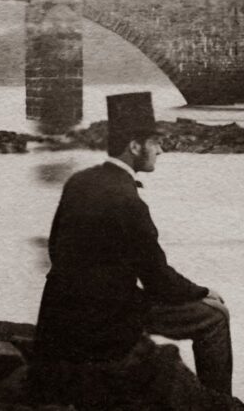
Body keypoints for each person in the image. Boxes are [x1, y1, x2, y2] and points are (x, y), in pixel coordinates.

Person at [32, 91, 233, 396]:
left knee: (129, 298)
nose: (161, 151)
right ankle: (219, 402)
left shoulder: (80, 181)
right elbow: (158, 280)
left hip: (58, 314)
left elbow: (55, 250)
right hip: (102, 322)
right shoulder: (129, 202)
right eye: (155, 143)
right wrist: (203, 292)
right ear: (135, 146)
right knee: (215, 317)